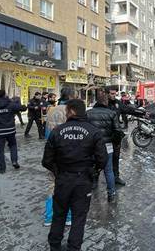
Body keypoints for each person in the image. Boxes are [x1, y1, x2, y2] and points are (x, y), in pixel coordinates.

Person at [42, 99, 107, 251]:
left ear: (71, 111)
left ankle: (55, 245)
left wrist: (58, 172)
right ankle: (74, 247)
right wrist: (93, 172)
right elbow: (102, 159)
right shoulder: (94, 131)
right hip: (83, 180)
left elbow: (46, 161)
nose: (65, 114)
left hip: (63, 179)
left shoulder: (57, 131)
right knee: (79, 217)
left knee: (59, 214)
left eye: (66, 111)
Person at [43, 87, 76, 227]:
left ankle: (49, 217)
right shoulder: (71, 111)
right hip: (68, 154)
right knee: (68, 185)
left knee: (52, 184)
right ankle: (68, 216)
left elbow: (47, 134)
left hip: (52, 153)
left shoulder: (51, 110)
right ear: (71, 96)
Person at [86, 89, 125, 203]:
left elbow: (85, 130)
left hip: (93, 147)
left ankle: (93, 183)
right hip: (107, 146)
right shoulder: (111, 113)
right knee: (108, 170)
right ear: (106, 103)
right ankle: (111, 194)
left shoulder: (88, 113)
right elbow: (117, 131)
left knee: (94, 166)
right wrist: (115, 142)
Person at [107, 87, 145, 186]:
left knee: (115, 157)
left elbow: (128, 109)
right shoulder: (102, 104)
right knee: (100, 158)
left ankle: (116, 177)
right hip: (104, 136)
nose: (113, 96)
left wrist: (142, 112)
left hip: (115, 136)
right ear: (107, 94)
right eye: (111, 93)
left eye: (115, 94)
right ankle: (95, 177)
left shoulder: (117, 103)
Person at [0, 90, 26, 174]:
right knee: (13, 145)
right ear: (5, 95)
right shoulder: (10, 104)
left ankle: (2, 168)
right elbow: (23, 108)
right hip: (10, 130)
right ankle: (14, 161)